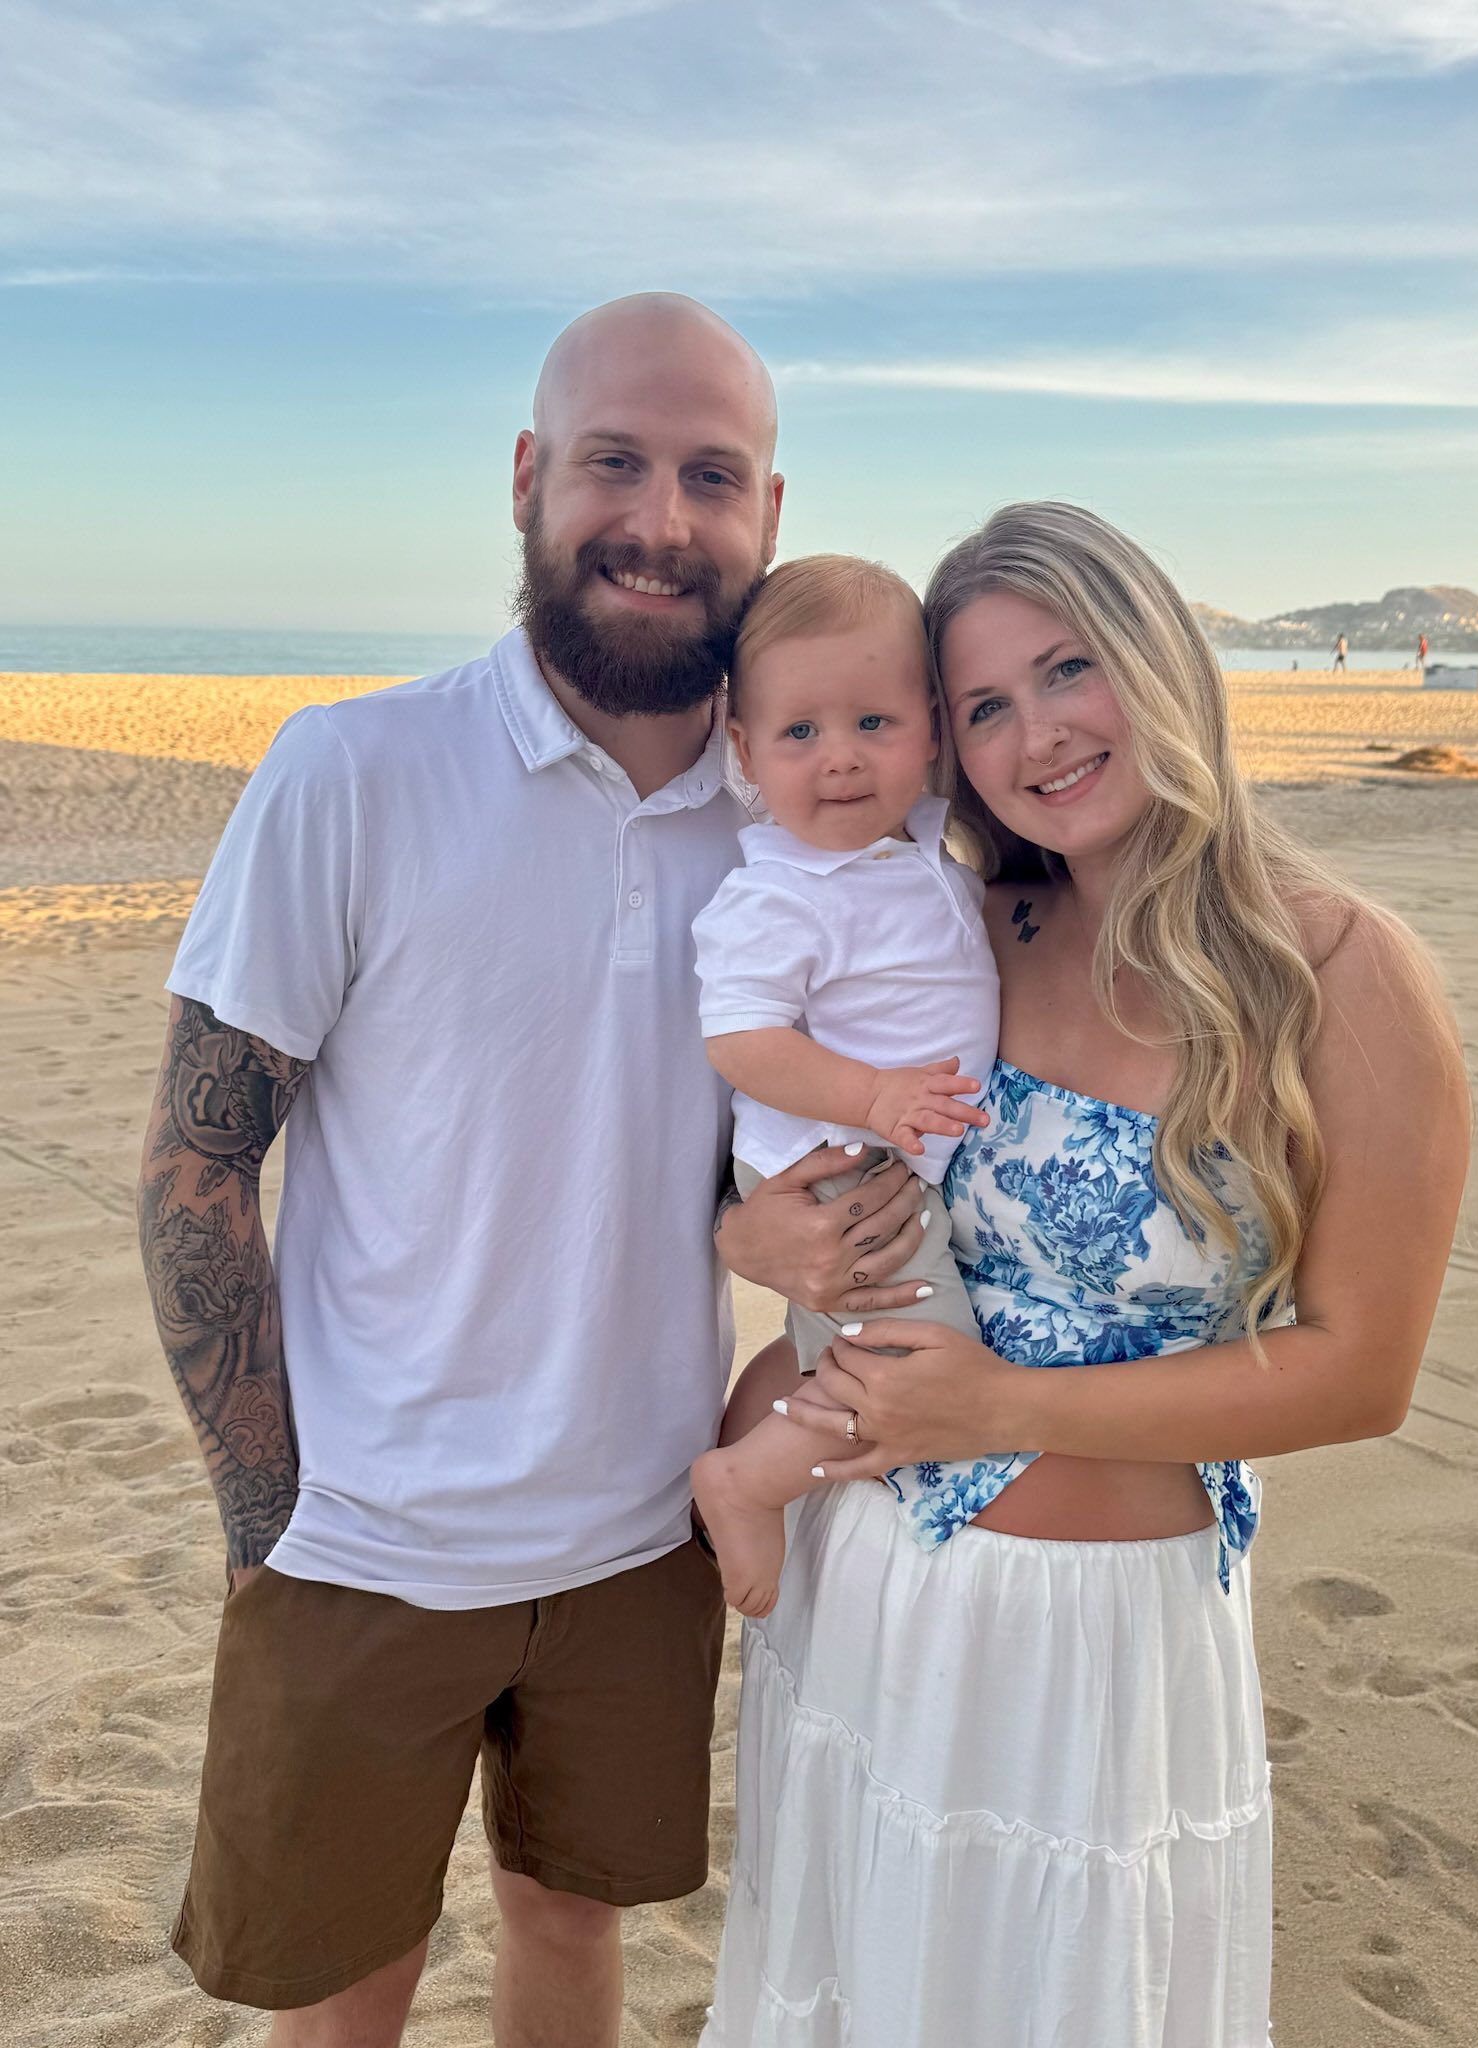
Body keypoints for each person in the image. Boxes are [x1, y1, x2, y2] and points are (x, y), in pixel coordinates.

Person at [136, 294, 927, 2048]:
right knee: (342, 1992)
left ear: (769, 514)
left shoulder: (801, 804)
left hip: (649, 1525)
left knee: (571, 1938)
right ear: (525, 479)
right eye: (613, 463)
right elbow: (199, 1169)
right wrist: (271, 1521)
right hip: (366, 1541)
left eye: (709, 475)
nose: (658, 518)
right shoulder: (352, 768)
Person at [704, 502, 1469, 2045]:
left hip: (1093, 1646)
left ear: (1160, 658)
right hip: (864, 1596)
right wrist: (744, 1236)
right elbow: (767, 1139)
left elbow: (1363, 1371)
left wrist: (1000, 1404)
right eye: (985, 704)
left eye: (1068, 670)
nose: (1036, 733)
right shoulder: (958, 926)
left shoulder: (1337, 975)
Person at [689, 556, 999, 1616]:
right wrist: (871, 1099)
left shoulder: (914, 840)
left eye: (875, 723)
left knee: (857, 1351)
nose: (840, 761)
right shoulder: (777, 889)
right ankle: (747, 1479)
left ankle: (761, 1438)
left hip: (897, 1152)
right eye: (799, 733)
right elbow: (740, 1036)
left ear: (930, 731)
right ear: (745, 749)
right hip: (837, 1162)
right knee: (924, 1368)